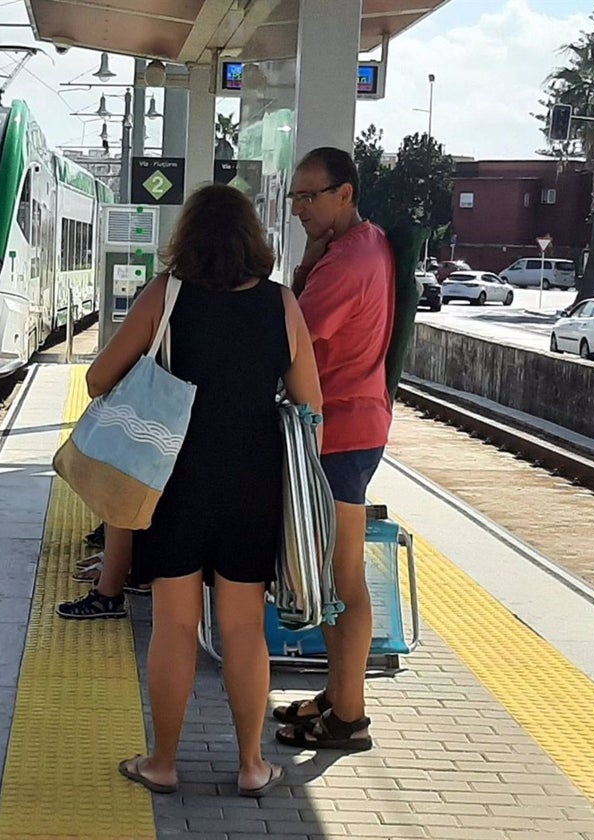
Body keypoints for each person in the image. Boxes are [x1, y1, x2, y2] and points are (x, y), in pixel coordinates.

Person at [86, 184, 323, 797]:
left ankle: (162, 762)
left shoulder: (167, 296)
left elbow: (96, 379)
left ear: (187, 238)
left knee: (174, 625)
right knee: (244, 628)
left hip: (173, 481)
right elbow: (310, 403)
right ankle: (251, 766)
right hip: (253, 481)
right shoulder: (281, 304)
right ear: (254, 241)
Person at [272, 147, 396, 752]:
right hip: (352, 427)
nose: (299, 208)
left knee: (343, 580)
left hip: (341, 435)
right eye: (295, 197)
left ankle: (349, 718)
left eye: (310, 196)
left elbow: (289, 335)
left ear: (344, 194)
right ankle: (338, 691)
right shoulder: (357, 247)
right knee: (330, 575)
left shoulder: (346, 263)